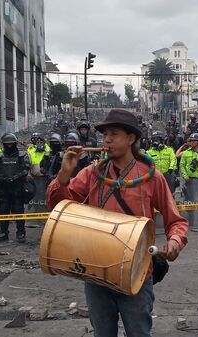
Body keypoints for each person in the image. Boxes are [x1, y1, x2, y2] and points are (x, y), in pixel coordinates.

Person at [46, 109, 188, 337]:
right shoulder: (92, 173)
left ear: (131, 138)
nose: (107, 140)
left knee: (138, 333)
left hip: (137, 270)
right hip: (96, 270)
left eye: (114, 134)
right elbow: (58, 208)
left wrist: (174, 242)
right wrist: (64, 174)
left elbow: (176, 220)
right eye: (104, 135)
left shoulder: (152, 177)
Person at [0, 133, 31, 243]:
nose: (9, 146)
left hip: (17, 188)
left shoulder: (22, 155)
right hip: (4, 189)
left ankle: (21, 233)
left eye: (11, 144)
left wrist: (15, 178)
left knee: (19, 211)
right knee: (3, 211)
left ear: (15, 144)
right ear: (4, 144)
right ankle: (3, 233)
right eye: (7, 144)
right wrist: (2, 179)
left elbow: (25, 169)